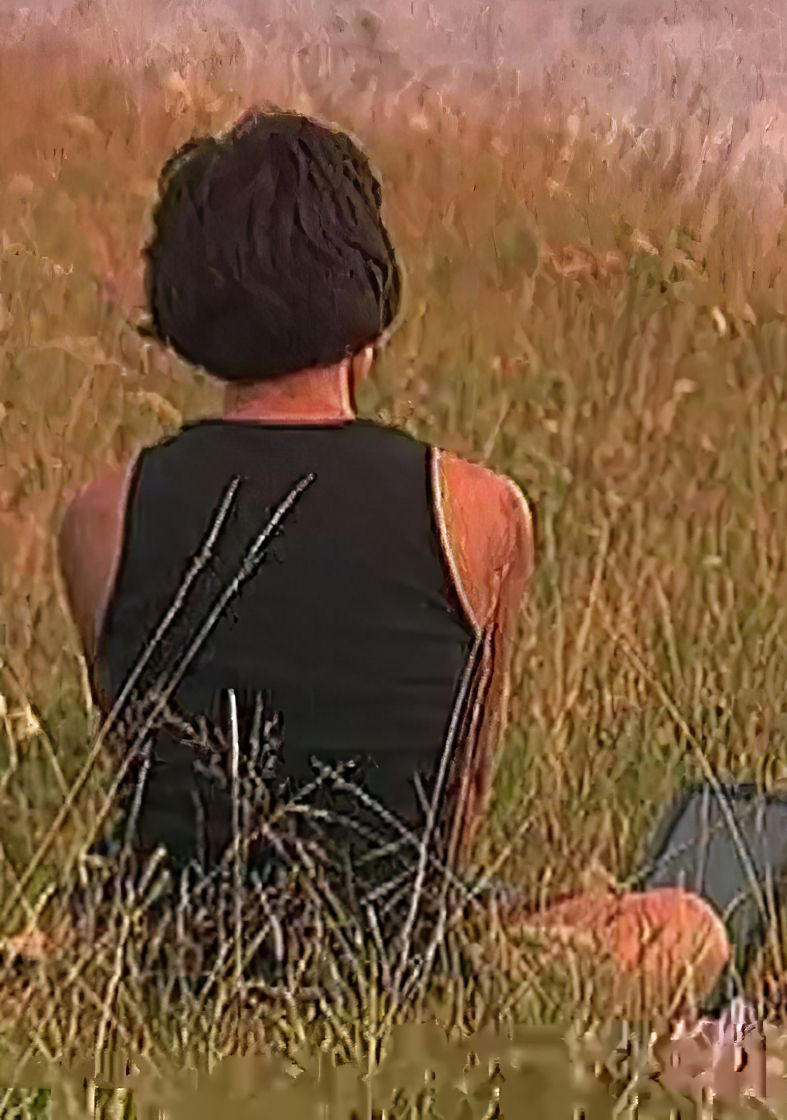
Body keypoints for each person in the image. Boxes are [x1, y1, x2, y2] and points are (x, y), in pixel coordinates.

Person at [34, 106, 728, 1007]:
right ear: (366, 307)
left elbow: (143, 778)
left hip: (176, 962)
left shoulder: (100, 517)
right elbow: (456, 803)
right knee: (685, 928)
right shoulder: (479, 512)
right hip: (391, 971)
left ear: (189, 302)